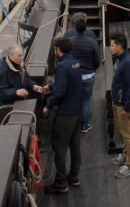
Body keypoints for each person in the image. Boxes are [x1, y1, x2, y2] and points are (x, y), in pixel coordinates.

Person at [43, 36, 83, 194]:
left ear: (58, 50)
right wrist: (52, 86)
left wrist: (48, 105)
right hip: (77, 111)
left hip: (65, 113)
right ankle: (74, 176)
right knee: (75, 145)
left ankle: (61, 182)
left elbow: (60, 93)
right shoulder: (75, 62)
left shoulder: (61, 66)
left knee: (59, 147)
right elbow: (69, 83)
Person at [64, 12, 100, 133]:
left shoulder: (68, 36)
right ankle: (84, 125)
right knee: (86, 99)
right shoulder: (91, 37)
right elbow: (97, 58)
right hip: (88, 74)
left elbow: (64, 55)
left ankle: (72, 125)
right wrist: (93, 69)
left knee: (73, 98)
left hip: (73, 74)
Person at [110, 32, 130, 179]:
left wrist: (126, 107)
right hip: (117, 101)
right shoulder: (119, 58)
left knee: (128, 135)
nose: (110, 47)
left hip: (123, 105)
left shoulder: (128, 63)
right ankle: (126, 155)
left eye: (113, 45)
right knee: (123, 131)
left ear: (119, 46)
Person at [0, 45, 42, 111]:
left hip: (19, 103)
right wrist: (16, 92)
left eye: (22, 55)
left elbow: (26, 79)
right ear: (11, 56)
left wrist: (33, 85)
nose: (22, 58)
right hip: (6, 107)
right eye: (19, 56)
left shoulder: (21, 65)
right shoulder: (2, 71)